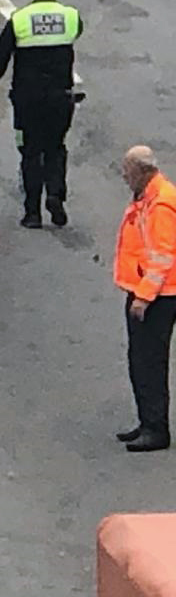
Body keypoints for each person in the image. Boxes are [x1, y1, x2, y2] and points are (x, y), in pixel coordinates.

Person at [0, 0, 82, 228]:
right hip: (61, 99)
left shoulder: (20, 20)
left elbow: (0, 55)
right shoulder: (71, 17)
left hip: (28, 102)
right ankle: (56, 195)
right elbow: (76, 33)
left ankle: (32, 213)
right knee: (56, 148)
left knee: (31, 153)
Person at [113, 146, 176, 453]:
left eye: (128, 171)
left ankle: (155, 428)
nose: (124, 177)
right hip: (149, 292)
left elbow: (163, 257)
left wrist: (143, 298)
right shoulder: (150, 197)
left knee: (148, 361)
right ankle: (147, 421)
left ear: (143, 171)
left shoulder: (161, 204)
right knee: (141, 360)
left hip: (156, 297)